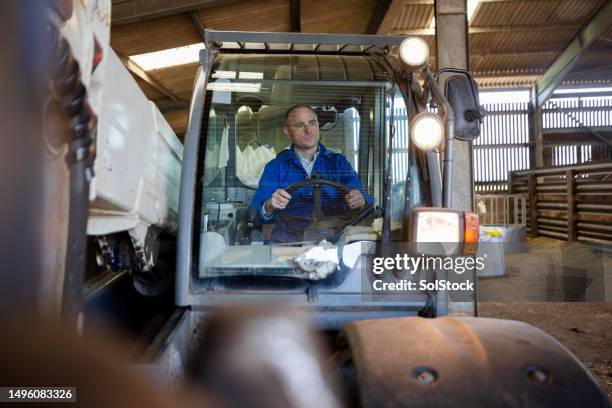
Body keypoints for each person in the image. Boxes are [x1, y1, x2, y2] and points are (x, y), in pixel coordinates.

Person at [250, 104, 373, 241]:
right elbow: (256, 211)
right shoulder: (275, 167)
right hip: (288, 243)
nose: (308, 130)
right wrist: (270, 204)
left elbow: (365, 200)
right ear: (286, 131)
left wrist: (360, 199)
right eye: (299, 125)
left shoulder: (338, 163)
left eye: (312, 123)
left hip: (335, 242)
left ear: (318, 126)